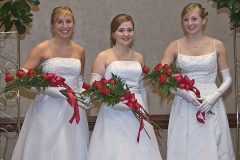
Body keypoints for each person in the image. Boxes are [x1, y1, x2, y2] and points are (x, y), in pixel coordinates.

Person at [11, 6, 89, 160]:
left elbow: (80, 79)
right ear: (53, 25)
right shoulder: (42, 48)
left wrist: (85, 95)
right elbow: (20, 79)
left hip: (73, 109)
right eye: (60, 22)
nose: (65, 26)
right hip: (48, 108)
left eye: (68, 21)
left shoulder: (79, 50)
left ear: (74, 24)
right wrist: (47, 89)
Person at [160, 3, 235, 160]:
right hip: (184, 103)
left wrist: (215, 96)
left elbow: (227, 79)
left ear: (204, 20)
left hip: (210, 102)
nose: (190, 23)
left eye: (194, 19)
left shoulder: (217, 45)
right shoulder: (174, 46)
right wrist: (182, 93)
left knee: (212, 144)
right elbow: (161, 77)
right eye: (186, 19)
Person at [87, 14, 162, 160]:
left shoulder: (139, 57)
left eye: (130, 30)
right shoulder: (103, 56)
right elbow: (93, 88)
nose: (126, 34)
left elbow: (142, 88)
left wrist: (146, 115)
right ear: (113, 33)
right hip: (112, 113)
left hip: (137, 111)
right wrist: (114, 102)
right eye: (121, 30)